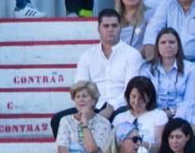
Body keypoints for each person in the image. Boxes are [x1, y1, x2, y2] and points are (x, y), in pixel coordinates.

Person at [52, 9, 143, 138]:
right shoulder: (88, 56)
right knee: (58, 119)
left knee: (116, 120)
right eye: (106, 26)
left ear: (120, 28)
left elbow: (131, 90)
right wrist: (88, 109)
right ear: (98, 29)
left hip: (121, 107)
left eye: (114, 26)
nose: (110, 29)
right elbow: (80, 87)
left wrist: (110, 108)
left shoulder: (132, 54)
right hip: (93, 106)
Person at [53, 81, 113, 153]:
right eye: (77, 97)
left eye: (85, 96)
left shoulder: (103, 123)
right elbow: (61, 144)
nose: (80, 99)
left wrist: (84, 123)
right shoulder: (65, 120)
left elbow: (91, 149)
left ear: (94, 100)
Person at [139, 28, 195, 116]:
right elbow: (143, 98)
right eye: (163, 42)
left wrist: (171, 113)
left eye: (172, 42)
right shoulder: (146, 69)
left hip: (180, 116)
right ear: (157, 46)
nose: (168, 45)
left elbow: (189, 102)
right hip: (152, 115)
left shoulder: (190, 68)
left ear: (178, 45)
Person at [112, 75, 168, 153]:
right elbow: (113, 146)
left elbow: (161, 147)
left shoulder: (159, 115)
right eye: (133, 96)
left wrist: (143, 144)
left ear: (149, 98)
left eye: (141, 98)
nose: (136, 101)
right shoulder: (119, 118)